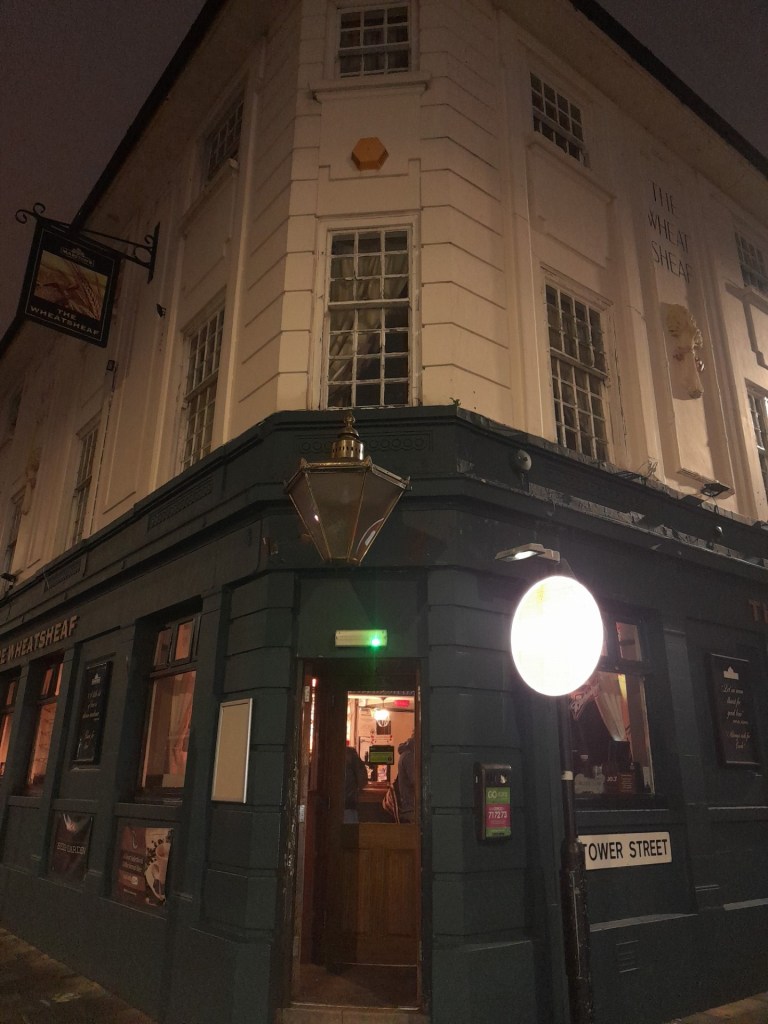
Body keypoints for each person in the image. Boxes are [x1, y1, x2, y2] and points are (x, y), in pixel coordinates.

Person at [344, 743, 368, 822]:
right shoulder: (355, 761)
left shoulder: (338, 762)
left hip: (339, 804)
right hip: (350, 803)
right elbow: (363, 780)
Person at [395, 734, 416, 823]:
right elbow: (416, 781)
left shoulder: (406, 754)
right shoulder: (409, 756)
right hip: (412, 808)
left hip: (409, 807)